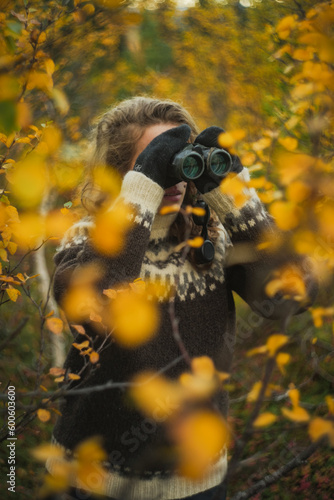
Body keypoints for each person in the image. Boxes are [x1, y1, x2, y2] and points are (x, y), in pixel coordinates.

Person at [47, 96, 316, 500]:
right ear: (122, 173)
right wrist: (140, 193)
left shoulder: (212, 239)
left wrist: (237, 199)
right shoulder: (87, 240)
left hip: (196, 479)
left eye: (181, 161)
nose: (173, 180)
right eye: (158, 165)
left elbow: (289, 297)